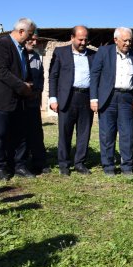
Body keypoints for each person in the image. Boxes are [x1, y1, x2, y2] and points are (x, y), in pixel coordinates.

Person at [90, 27, 133, 176]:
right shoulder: (104, 52)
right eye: (125, 40)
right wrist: (94, 98)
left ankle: (127, 166)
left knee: (127, 134)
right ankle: (108, 166)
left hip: (127, 99)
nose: (128, 43)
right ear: (116, 40)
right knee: (107, 134)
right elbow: (95, 76)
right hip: (108, 97)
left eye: (130, 40)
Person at [0, 18, 37, 180]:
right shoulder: (2, 44)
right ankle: (2, 167)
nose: (31, 38)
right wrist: (22, 86)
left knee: (21, 134)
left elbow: (24, 71)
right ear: (21, 31)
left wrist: (29, 83)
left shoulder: (22, 48)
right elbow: (1, 71)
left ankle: (20, 165)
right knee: (2, 135)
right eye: (29, 34)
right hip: (3, 99)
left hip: (20, 100)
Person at [49, 26, 95, 176]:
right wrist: (53, 98)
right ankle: (64, 164)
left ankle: (80, 163)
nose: (83, 42)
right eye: (80, 39)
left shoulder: (93, 55)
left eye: (86, 39)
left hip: (86, 97)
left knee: (84, 132)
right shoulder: (60, 52)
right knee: (65, 132)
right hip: (66, 98)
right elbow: (53, 77)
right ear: (72, 38)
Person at [24, 33, 50, 174]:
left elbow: (41, 77)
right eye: (31, 39)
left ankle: (39, 162)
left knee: (36, 133)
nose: (34, 43)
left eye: (36, 40)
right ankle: (20, 162)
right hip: (18, 102)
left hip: (33, 101)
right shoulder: (16, 56)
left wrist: (37, 91)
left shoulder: (36, 57)